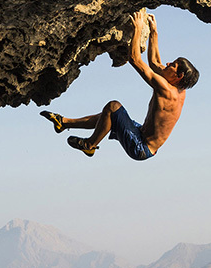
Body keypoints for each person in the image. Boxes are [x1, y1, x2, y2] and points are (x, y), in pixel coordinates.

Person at [41, 10, 199, 160]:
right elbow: (155, 62)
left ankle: (89, 145)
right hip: (142, 134)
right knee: (108, 116)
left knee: (113, 107)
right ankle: (64, 122)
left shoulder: (166, 89)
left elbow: (135, 59)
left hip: (141, 147)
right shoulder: (179, 89)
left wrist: (137, 29)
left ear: (179, 76)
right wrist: (154, 31)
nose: (168, 63)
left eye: (173, 65)